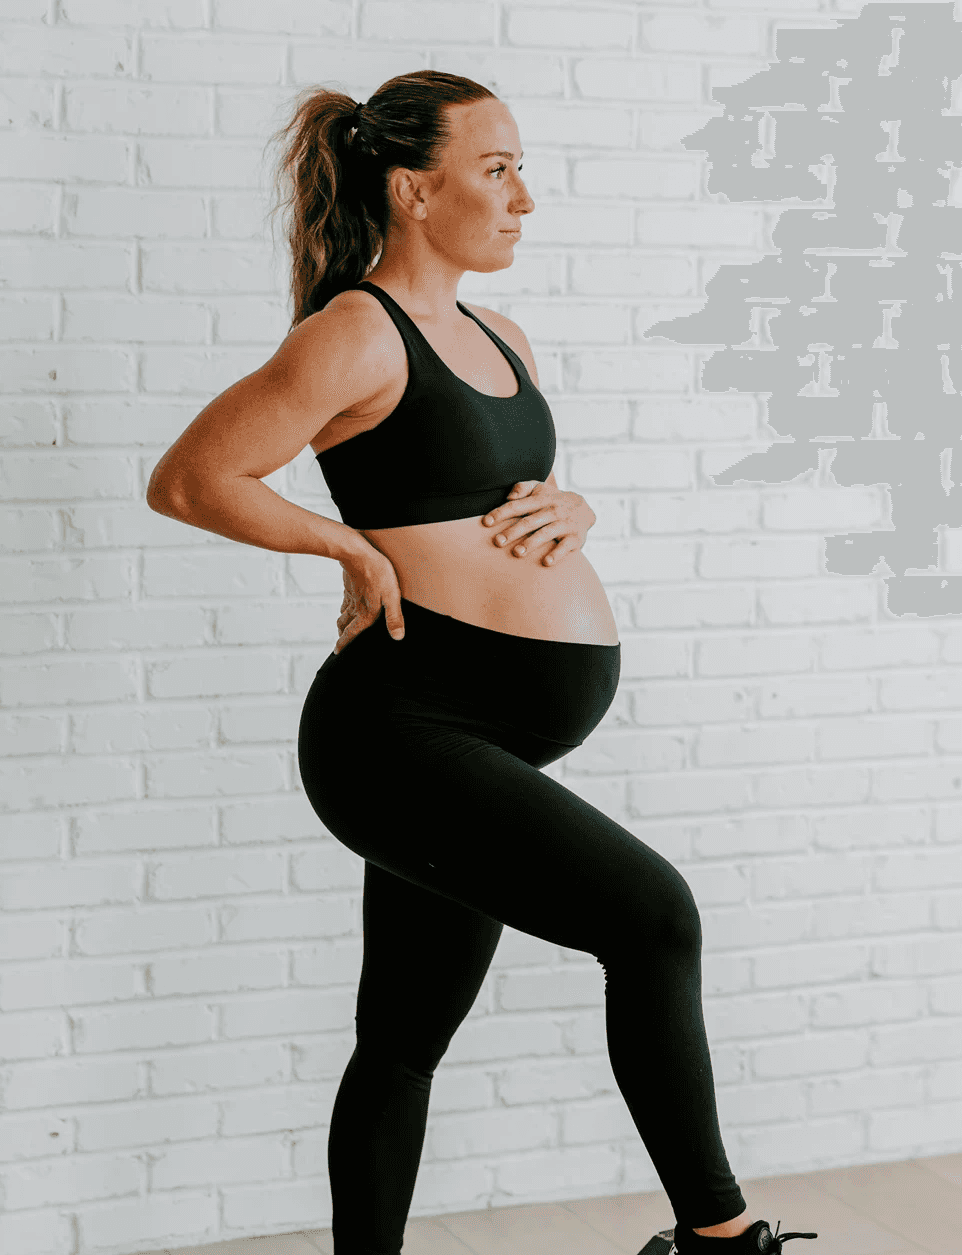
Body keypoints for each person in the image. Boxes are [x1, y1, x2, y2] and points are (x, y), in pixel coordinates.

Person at [146, 70, 817, 1255]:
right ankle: (720, 1242)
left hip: (480, 734)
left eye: (519, 169)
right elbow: (193, 477)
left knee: (402, 1036)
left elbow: (482, 500)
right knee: (652, 918)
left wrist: (571, 513)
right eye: (496, 169)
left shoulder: (499, 334)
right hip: (397, 730)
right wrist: (346, 548)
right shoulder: (355, 329)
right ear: (413, 190)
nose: (523, 198)